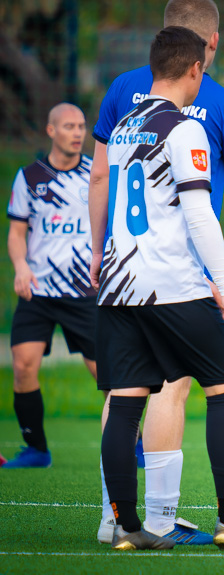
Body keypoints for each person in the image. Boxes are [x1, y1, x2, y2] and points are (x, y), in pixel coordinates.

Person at [90, 25, 224, 550]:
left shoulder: (125, 125)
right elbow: (199, 217)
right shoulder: (183, 129)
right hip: (172, 283)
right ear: (196, 68)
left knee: (125, 402)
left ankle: (126, 527)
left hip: (120, 285)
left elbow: (109, 188)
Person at [4, 103, 97, 469]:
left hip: (84, 291)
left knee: (105, 374)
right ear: (51, 131)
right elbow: (16, 232)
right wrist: (20, 266)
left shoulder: (96, 175)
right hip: (37, 291)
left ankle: (134, 444)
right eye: (69, 126)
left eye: (81, 126)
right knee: (23, 364)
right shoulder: (29, 178)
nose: (77, 133)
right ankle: (36, 449)